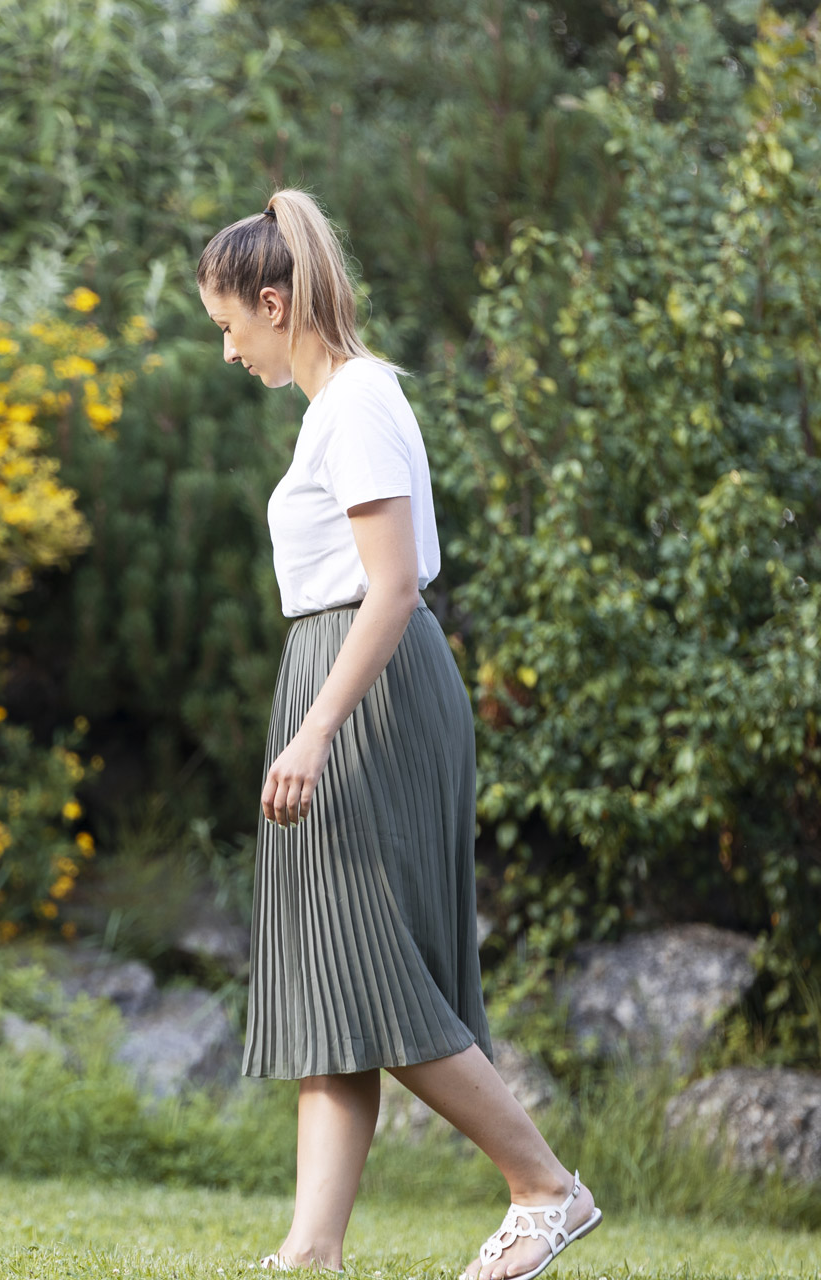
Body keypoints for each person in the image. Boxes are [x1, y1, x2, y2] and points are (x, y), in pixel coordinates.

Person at [195, 191, 601, 1280]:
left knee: (376, 965)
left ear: (275, 303)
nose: (228, 350)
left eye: (230, 326)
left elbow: (391, 587)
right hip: (341, 687)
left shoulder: (361, 401)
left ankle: (545, 1186)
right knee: (336, 979)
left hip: (364, 696)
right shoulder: (334, 406)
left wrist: (317, 730)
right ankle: (311, 1247)